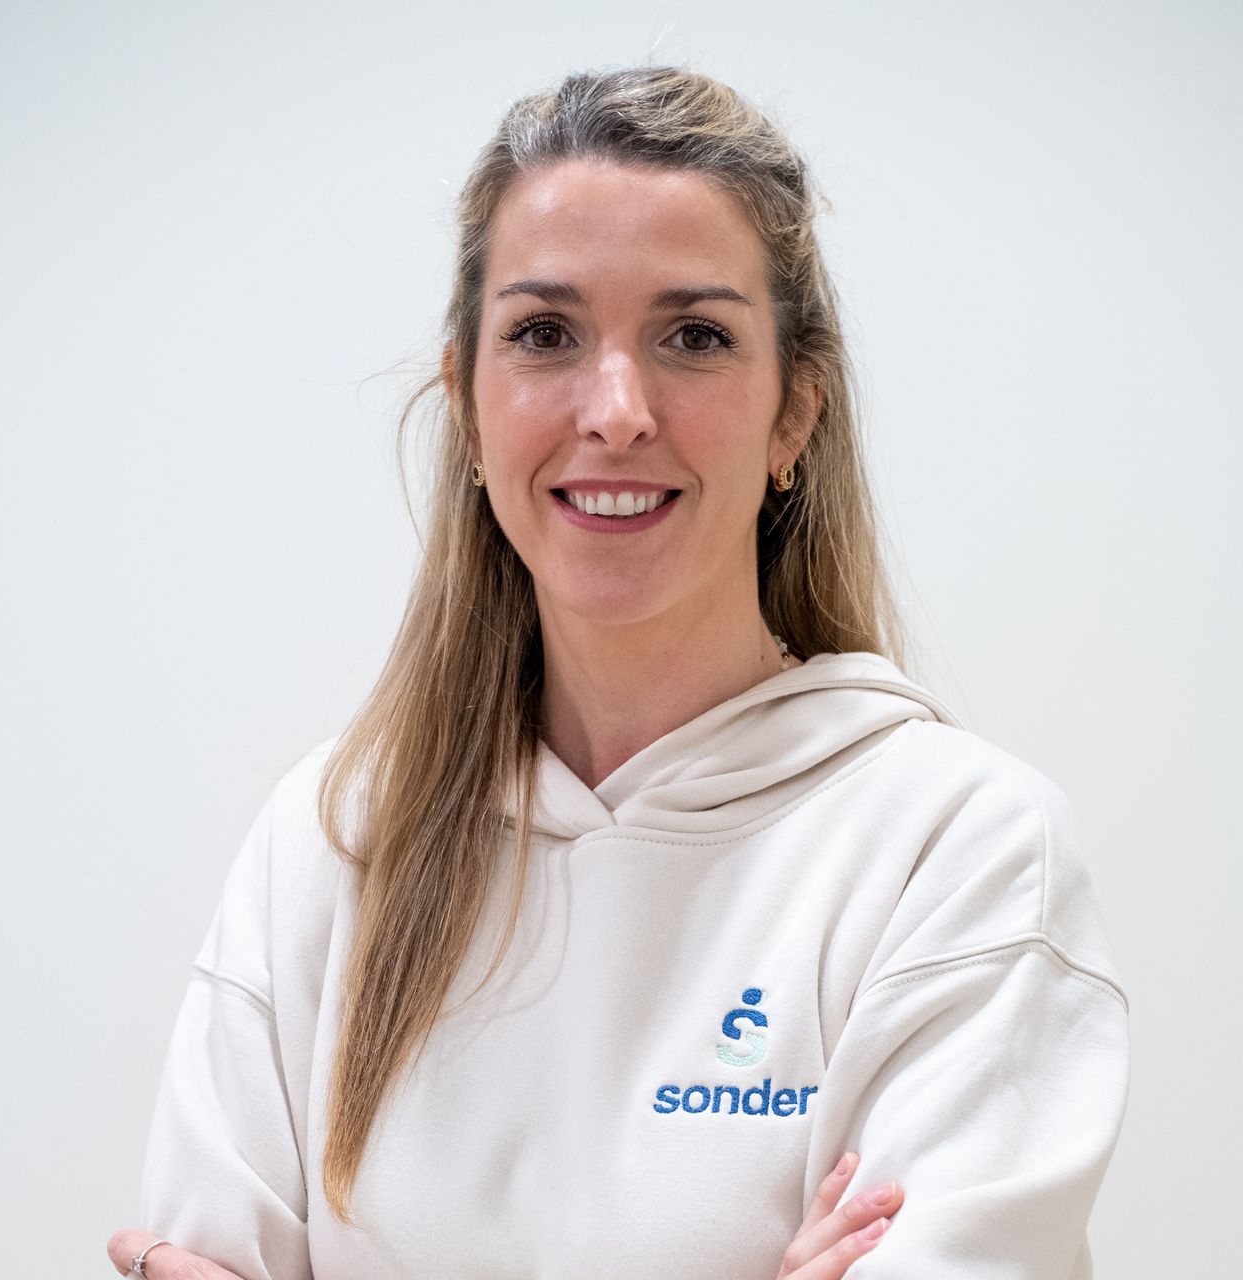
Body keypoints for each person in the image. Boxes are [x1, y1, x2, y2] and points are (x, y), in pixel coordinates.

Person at [107, 65, 1129, 1280]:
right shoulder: (332, 842)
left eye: (693, 337)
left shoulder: (955, 852)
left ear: (794, 413)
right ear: (467, 404)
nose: (616, 410)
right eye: (544, 334)